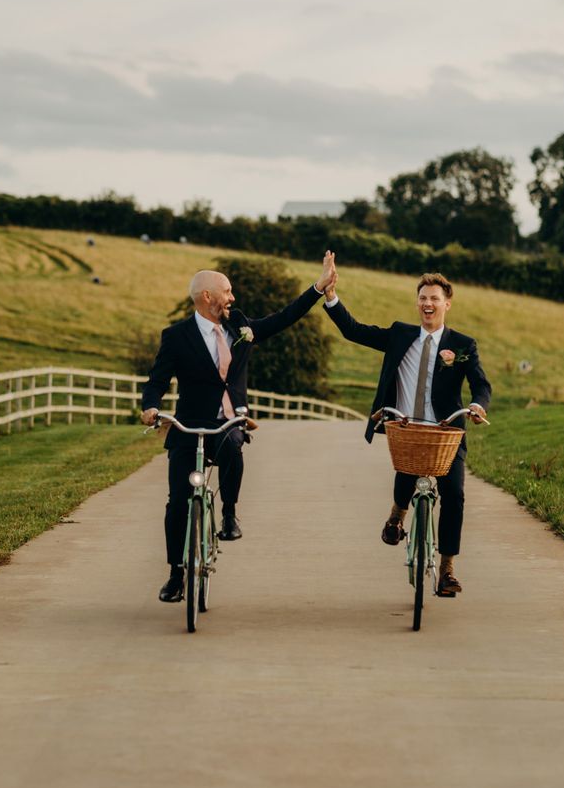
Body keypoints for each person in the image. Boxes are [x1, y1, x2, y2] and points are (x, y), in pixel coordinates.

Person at [141, 252, 336, 602]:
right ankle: (175, 575)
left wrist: (318, 288)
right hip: (188, 426)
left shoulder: (240, 326)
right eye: (227, 292)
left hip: (229, 422)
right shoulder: (176, 336)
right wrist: (151, 407)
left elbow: (283, 318)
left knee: (233, 448)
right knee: (177, 504)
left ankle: (229, 513)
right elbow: (157, 380)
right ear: (207, 298)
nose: (232, 298)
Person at [324, 269, 490, 596]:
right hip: (407, 425)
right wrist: (330, 298)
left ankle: (447, 569)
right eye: (423, 298)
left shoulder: (462, 345)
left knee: (454, 495)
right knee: (406, 470)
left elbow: (481, 384)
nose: (428, 304)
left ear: (447, 304)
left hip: (446, 432)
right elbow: (354, 331)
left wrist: (477, 405)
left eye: (434, 299)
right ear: (418, 302)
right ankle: (397, 515)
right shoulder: (400, 335)